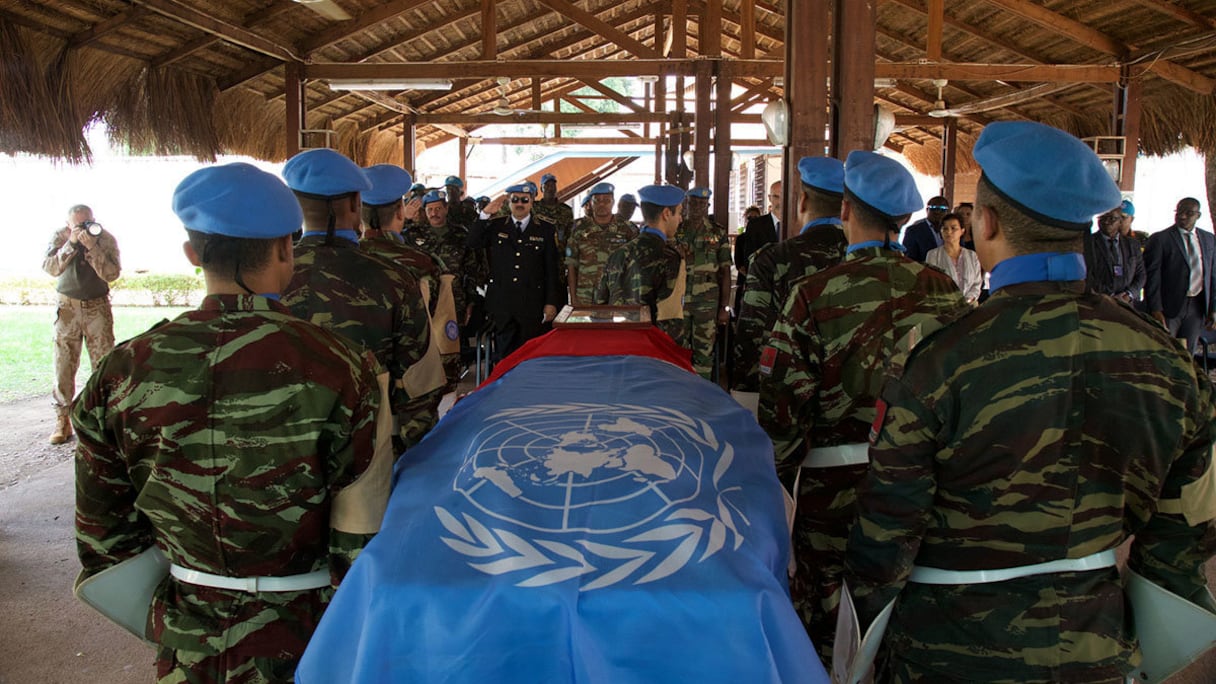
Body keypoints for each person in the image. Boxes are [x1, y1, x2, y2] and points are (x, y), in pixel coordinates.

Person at [844, 121, 1216, 683]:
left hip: (949, 648)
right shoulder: (1167, 360)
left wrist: (860, 641)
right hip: (1096, 643)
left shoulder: (940, 358)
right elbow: (1184, 534)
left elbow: (886, 528)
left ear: (985, 224)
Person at [72, 162, 392, 683]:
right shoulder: (345, 366)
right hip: (310, 639)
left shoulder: (122, 368)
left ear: (193, 254)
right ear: (287, 249)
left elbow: (103, 538)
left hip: (186, 633)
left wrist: (175, 618)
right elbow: (360, 538)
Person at [759, 151, 967, 667]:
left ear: (846, 208)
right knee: (902, 594)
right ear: (902, 221)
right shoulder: (942, 292)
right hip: (922, 481)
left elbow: (783, 411)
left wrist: (778, 479)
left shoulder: (814, 293)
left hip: (833, 488)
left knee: (827, 605)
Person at [280, 149, 440, 442]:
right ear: (356, 203)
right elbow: (417, 382)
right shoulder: (394, 278)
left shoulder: (273, 275)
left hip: (286, 446)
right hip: (371, 446)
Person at [733, 157, 847, 401]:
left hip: (788, 398)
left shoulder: (772, 260)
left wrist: (745, 395)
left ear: (802, 201)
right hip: (854, 400)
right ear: (846, 207)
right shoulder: (867, 259)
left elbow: (751, 334)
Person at [360, 164, 453, 448]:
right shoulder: (423, 263)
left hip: (354, 401)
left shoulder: (342, 260)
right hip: (411, 401)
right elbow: (443, 334)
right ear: (401, 212)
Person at [42, 204, 121, 444]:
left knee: (104, 364)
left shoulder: (104, 238)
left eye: (88, 223)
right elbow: (51, 268)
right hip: (68, 309)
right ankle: (62, 420)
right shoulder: (59, 237)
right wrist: (71, 245)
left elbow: (111, 273)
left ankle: (104, 419)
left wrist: (92, 248)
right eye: (78, 225)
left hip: (97, 307)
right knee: (64, 363)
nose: (85, 228)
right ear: (69, 225)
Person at [467, 180, 560, 359]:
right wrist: (485, 214)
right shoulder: (496, 225)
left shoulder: (545, 229)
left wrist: (551, 302)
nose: (519, 204)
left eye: (525, 200)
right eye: (515, 199)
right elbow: (472, 242)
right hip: (502, 303)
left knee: (529, 353)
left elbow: (551, 269)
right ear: (509, 202)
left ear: (532, 201)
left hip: (531, 302)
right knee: (503, 354)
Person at [407, 189, 488, 385]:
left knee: (449, 345)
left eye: (438, 209)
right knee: (423, 342)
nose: (434, 213)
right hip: (422, 298)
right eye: (430, 209)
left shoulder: (460, 234)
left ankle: (449, 384)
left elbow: (472, 269)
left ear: (446, 209)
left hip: (454, 299)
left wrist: (470, 301)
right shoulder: (412, 233)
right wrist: (406, 219)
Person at [595, 184, 687, 344]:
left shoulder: (618, 253)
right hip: (649, 350)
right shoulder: (670, 257)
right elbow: (670, 320)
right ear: (666, 214)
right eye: (679, 212)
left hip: (616, 343)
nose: (680, 218)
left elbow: (600, 303)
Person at [673, 187, 732, 380]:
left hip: (707, 301)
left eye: (702, 203)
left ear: (707, 205)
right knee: (678, 349)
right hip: (679, 300)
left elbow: (725, 272)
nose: (697, 207)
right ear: (686, 205)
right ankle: (681, 390)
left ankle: (702, 393)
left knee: (704, 351)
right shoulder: (677, 230)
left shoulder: (717, 232)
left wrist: (724, 307)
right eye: (693, 203)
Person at [1145, 197, 1214, 354]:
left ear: (1198, 215)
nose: (1182, 216)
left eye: (1188, 213)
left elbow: (1212, 275)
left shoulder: (1209, 239)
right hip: (1168, 307)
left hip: (1197, 305)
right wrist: (1155, 309)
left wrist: (1213, 308)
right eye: (1179, 212)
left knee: (1187, 354)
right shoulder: (1161, 239)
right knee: (1164, 350)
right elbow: (1152, 277)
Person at [566, 182, 639, 305]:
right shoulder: (579, 228)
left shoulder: (628, 229)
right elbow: (571, 264)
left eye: (606, 200)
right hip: (586, 296)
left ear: (613, 202)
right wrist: (573, 298)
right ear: (591, 203)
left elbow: (635, 266)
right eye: (597, 200)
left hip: (617, 297)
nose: (601, 204)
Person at [734, 181, 783, 311]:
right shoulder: (756, 225)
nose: (779, 201)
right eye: (776, 196)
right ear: (769, 198)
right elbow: (749, 258)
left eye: (782, 196)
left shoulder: (794, 224)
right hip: (763, 287)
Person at [1083, 204, 1145, 304]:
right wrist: (1109, 296)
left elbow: (1141, 274)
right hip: (1099, 302)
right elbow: (1086, 274)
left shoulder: (1133, 244)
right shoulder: (1088, 243)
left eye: (1112, 219)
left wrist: (1129, 294)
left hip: (1127, 302)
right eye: (1102, 218)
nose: (1106, 222)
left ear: (1120, 221)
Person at [925, 212, 983, 305]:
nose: (949, 232)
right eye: (945, 229)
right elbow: (931, 283)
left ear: (962, 231)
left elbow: (976, 284)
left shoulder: (972, 255)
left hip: (969, 306)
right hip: (942, 306)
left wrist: (966, 301)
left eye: (953, 228)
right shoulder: (933, 254)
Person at [532, 173, 575, 278]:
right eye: (546, 185)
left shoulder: (566, 210)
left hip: (559, 258)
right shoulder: (533, 208)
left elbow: (571, 235)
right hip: (537, 256)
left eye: (553, 185)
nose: (550, 188)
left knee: (558, 289)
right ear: (541, 189)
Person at [900, 195, 951, 262]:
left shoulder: (954, 230)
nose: (937, 212)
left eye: (942, 209)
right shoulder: (914, 231)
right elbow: (909, 258)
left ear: (948, 211)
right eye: (933, 208)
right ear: (927, 210)